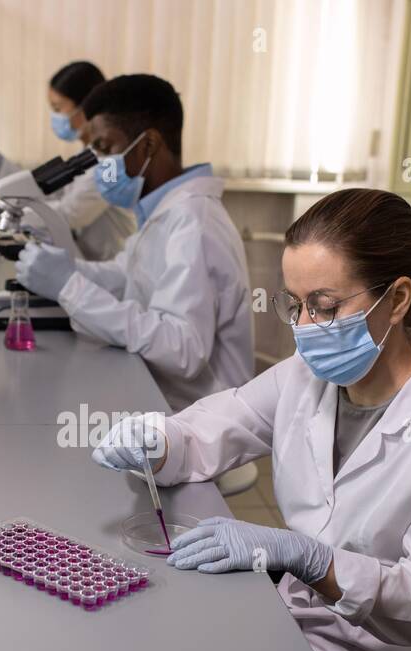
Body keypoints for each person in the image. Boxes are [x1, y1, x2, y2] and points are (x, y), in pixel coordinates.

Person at [92, 188, 411, 651]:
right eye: (296, 305)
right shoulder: (307, 378)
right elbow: (218, 426)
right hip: (308, 639)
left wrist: (307, 557)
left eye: (326, 305)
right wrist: (156, 440)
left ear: (398, 298)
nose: (306, 326)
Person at [15, 73, 254, 413]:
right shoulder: (164, 210)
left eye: (104, 148)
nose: (99, 164)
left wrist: (69, 286)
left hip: (195, 427)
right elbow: (127, 276)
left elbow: (182, 349)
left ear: (149, 145)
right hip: (156, 399)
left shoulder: (194, 224)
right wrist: (66, 271)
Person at [0, 61, 134, 261]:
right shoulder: (90, 154)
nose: (55, 117)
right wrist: (2, 168)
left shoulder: (111, 164)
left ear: (85, 108)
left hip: (109, 271)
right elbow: (50, 190)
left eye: (58, 108)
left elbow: (71, 214)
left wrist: (13, 211)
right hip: (90, 264)